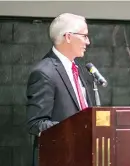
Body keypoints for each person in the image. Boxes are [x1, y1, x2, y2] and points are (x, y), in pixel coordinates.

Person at [26, 13, 95, 166]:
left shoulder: (77, 69)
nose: (88, 42)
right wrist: (74, 130)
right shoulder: (44, 72)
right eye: (84, 36)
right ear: (68, 37)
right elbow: (36, 123)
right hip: (58, 158)